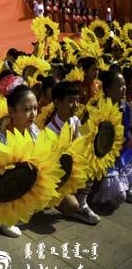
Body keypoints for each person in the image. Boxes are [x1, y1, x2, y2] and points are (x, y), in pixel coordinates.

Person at [0, 78, 38, 238]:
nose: (33, 114)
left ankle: (8, 220)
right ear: (11, 111)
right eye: (27, 109)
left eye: (35, 108)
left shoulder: (34, 131)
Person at [45, 81, 98, 223]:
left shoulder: (74, 120)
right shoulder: (49, 131)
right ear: (57, 102)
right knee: (71, 206)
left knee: (95, 163)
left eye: (77, 100)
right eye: (71, 101)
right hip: (57, 181)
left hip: (71, 172)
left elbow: (83, 144)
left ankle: (82, 202)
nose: (75, 105)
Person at [91, 70, 131, 208]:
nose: (124, 88)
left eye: (124, 84)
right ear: (107, 90)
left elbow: (126, 135)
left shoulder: (126, 108)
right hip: (100, 159)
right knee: (119, 197)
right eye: (119, 86)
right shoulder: (97, 107)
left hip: (119, 157)